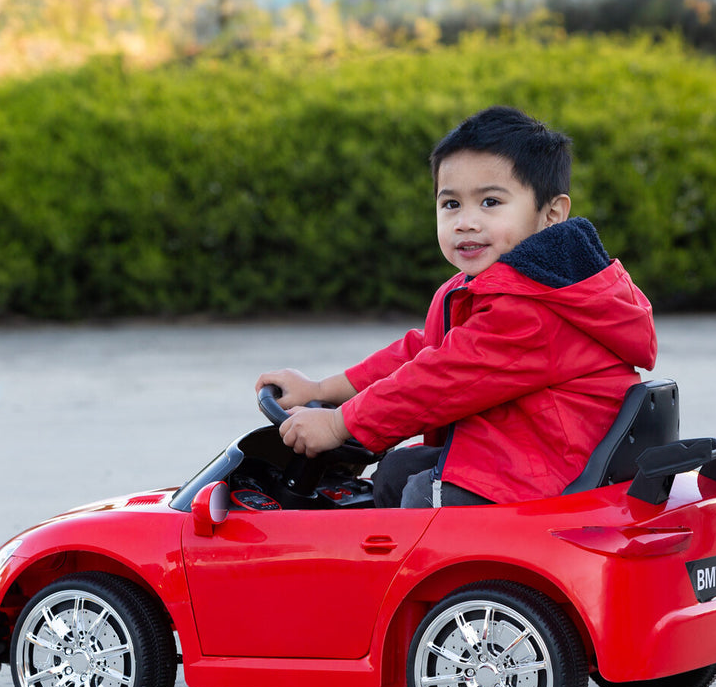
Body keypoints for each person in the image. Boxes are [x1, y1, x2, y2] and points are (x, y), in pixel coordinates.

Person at [256, 105, 657, 508]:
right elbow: (425, 352)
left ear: (551, 214)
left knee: (423, 495)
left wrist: (339, 424)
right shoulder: (492, 286)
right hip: (519, 455)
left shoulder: (534, 309)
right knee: (397, 471)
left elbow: (438, 379)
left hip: (548, 477)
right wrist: (323, 390)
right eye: (451, 205)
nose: (465, 222)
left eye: (490, 203)